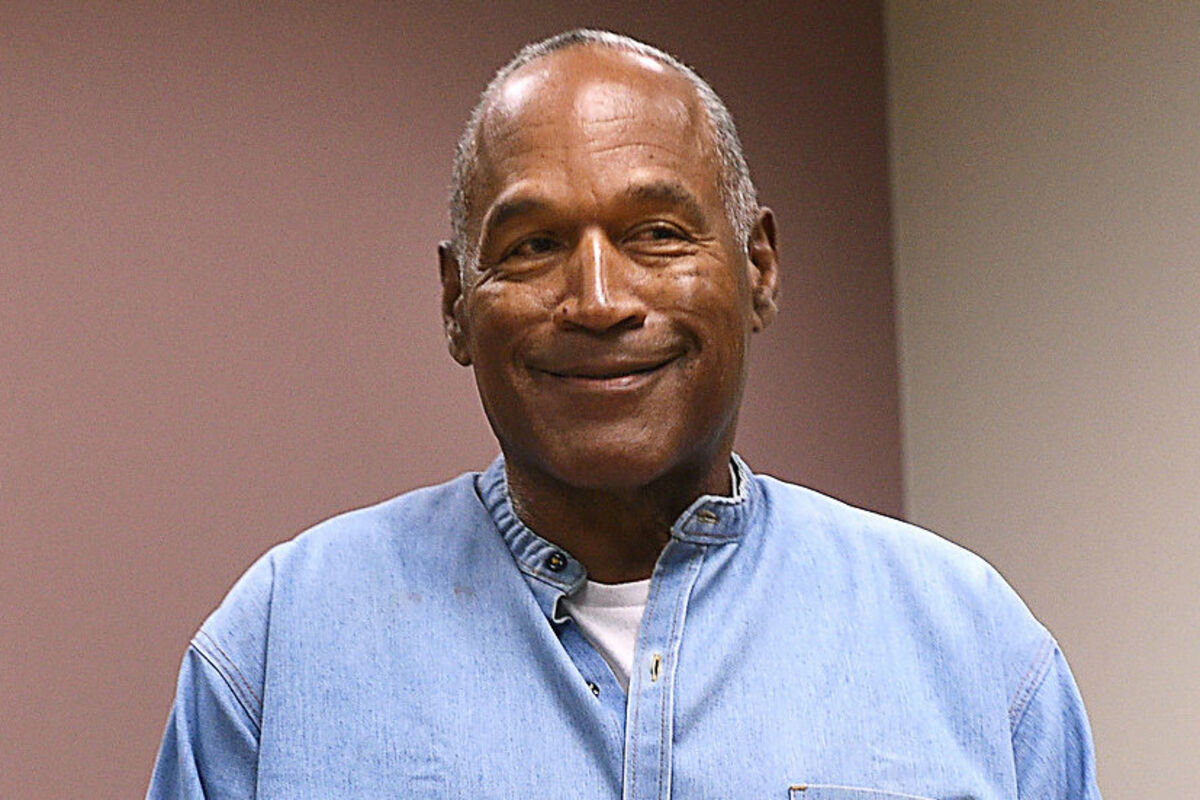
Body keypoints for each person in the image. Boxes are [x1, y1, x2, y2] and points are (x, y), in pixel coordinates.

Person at [148, 29, 1100, 799]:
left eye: (657, 234)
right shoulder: (279, 648)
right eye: (532, 246)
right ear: (455, 303)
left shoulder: (971, 647)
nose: (599, 300)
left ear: (759, 268)